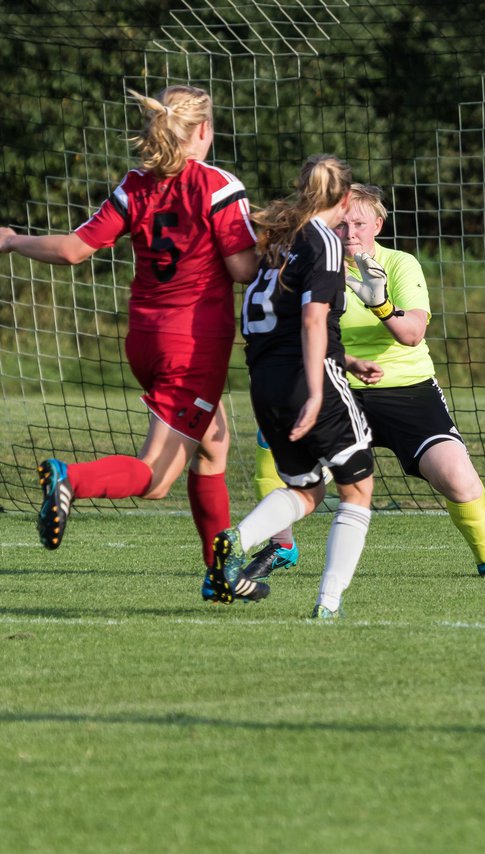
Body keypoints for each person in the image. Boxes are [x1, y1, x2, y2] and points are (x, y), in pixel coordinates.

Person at [0, 85, 258, 567]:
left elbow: (73, 250)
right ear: (204, 131)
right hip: (192, 346)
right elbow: (242, 268)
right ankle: (71, 479)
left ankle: (220, 573)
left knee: (213, 448)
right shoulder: (219, 186)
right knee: (155, 479)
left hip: (144, 340)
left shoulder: (135, 185)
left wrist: (12, 240)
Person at [243, 183, 485, 580]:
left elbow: (412, 333)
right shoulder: (310, 264)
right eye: (341, 223)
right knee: (273, 439)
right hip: (336, 384)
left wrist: (380, 303)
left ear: (378, 225)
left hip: (407, 390)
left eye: (359, 222)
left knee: (456, 476)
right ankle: (281, 546)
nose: (350, 232)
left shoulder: (400, 264)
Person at [204, 154, 377, 619]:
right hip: (307, 380)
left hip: (265, 382)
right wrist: (320, 387)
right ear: (344, 199)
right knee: (357, 489)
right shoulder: (325, 239)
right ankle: (328, 605)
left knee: (307, 489)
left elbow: (280, 322)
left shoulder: (280, 239)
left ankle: (236, 540)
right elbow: (312, 317)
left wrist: (347, 358)